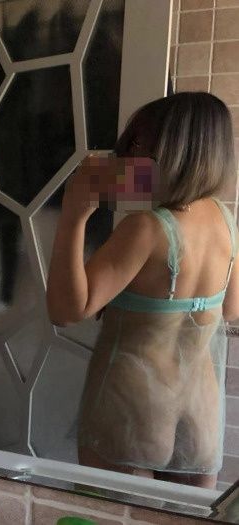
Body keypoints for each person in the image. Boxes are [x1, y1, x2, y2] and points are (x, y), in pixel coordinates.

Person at [47, 92, 238, 489]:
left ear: (174, 153)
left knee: (109, 516)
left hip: (133, 412)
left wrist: (74, 213)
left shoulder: (146, 229)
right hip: (201, 416)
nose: (125, 155)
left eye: (137, 144)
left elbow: (66, 310)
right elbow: (231, 309)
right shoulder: (225, 220)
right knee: (183, 518)